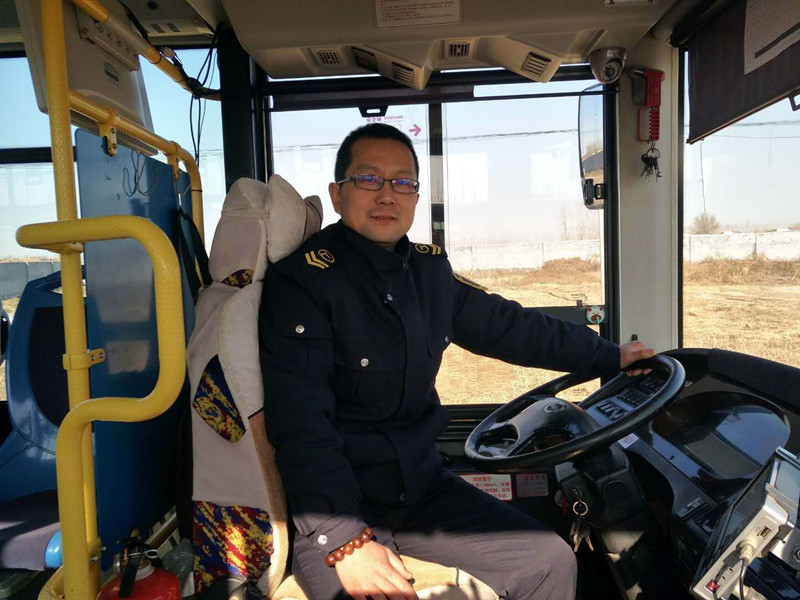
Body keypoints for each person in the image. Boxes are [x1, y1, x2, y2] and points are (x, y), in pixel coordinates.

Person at [259, 123, 654, 600]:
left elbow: (511, 327)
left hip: (423, 489)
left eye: (403, 182)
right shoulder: (303, 284)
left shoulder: (428, 272)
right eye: (369, 179)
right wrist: (344, 540)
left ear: (415, 196)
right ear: (337, 195)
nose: (387, 195)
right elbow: (302, 426)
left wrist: (610, 355)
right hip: (343, 502)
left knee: (549, 560)